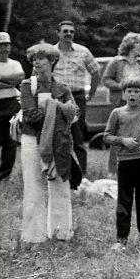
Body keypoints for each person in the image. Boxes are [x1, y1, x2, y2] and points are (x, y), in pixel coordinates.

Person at [19, 43, 79, 243]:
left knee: (60, 184)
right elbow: (30, 115)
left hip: (58, 140)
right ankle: (33, 237)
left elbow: (75, 113)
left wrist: (56, 111)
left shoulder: (62, 87)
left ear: (52, 61)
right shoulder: (27, 85)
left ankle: (61, 234)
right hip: (32, 140)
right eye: (34, 59)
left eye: (41, 58)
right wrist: (58, 110)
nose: (36, 62)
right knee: (33, 186)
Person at [103, 76, 140, 251]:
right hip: (126, 162)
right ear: (124, 94)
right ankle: (121, 240)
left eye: (136, 91)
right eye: (129, 91)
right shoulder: (117, 113)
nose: (133, 94)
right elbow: (107, 136)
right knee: (124, 200)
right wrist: (123, 141)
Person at [102, 32, 140, 175]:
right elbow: (106, 80)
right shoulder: (116, 61)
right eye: (139, 44)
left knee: (137, 135)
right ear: (130, 44)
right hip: (120, 102)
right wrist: (121, 86)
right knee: (118, 136)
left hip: (139, 105)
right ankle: (113, 171)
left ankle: (137, 169)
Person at [53, 20, 100, 188]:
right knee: (57, 135)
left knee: (77, 136)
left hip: (77, 97)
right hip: (56, 99)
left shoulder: (83, 51)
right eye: (65, 31)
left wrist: (91, 94)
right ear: (58, 33)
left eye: (71, 31)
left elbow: (96, 73)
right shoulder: (51, 52)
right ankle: (58, 173)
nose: (68, 34)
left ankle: (82, 175)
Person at [0, 32, 25, 180]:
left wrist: (1, 78)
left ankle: (5, 174)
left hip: (11, 102)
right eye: (1, 45)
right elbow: (14, 80)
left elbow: (20, 77)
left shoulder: (15, 64)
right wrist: (10, 82)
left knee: (10, 140)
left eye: (7, 45)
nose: (4, 49)